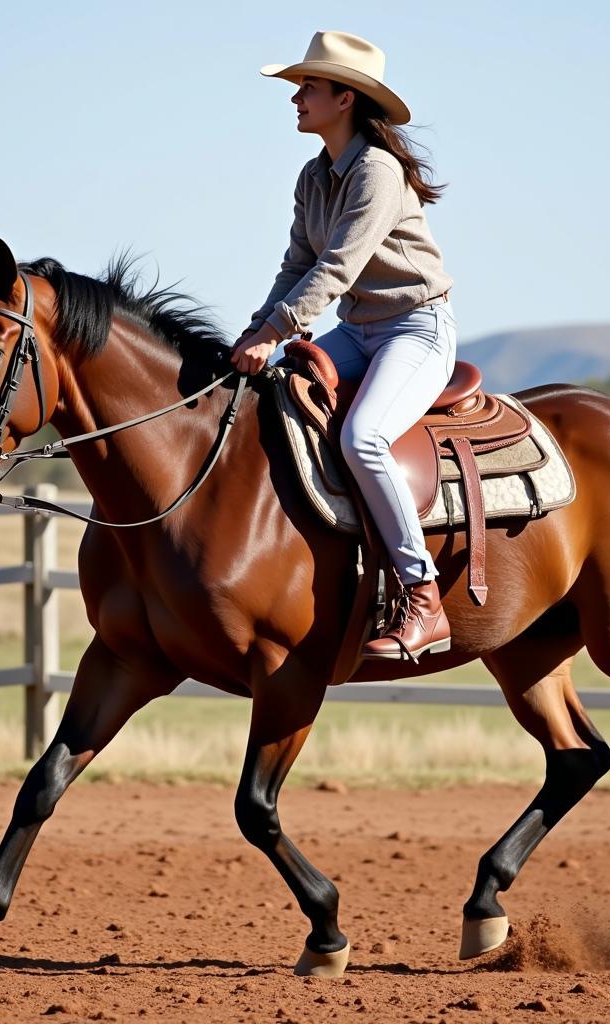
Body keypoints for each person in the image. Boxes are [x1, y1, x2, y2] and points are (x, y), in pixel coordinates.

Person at [231, 30, 456, 662]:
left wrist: (277, 331)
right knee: (271, 396)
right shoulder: (313, 176)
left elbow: (336, 270)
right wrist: (256, 332)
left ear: (346, 99)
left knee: (364, 439)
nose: (296, 98)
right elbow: (296, 264)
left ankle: (422, 596)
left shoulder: (378, 173)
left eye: (308, 87)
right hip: (358, 332)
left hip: (416, 329)